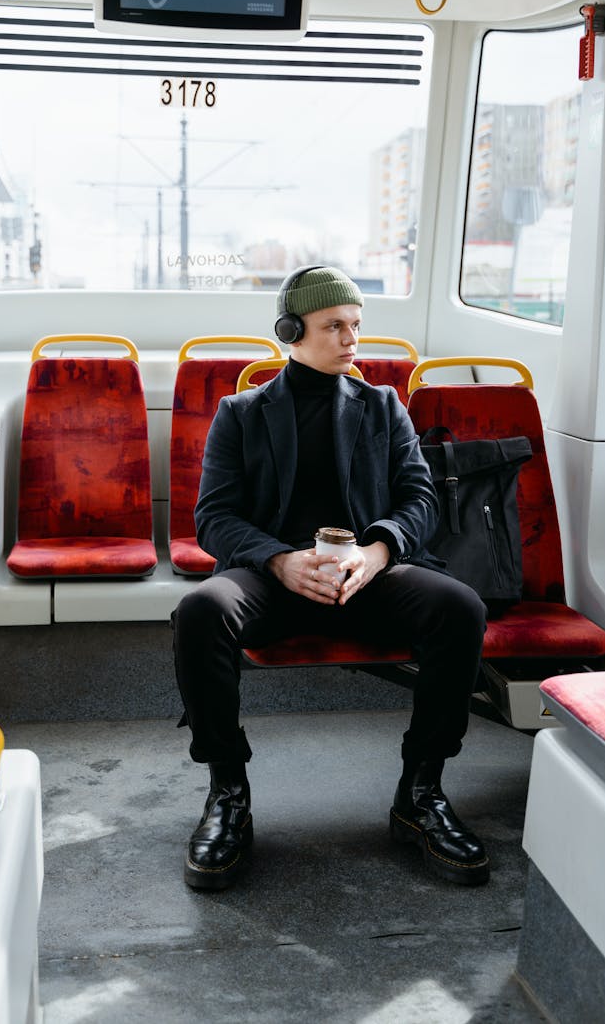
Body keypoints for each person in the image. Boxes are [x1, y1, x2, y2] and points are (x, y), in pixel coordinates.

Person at [171, 265, 489, 892]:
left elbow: (419, 499)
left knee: (461, 607)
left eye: (356, 326)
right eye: (334, 326)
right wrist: (281, 561)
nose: (351, 340)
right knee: (202, 610)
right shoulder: (240, 413)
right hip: (273, 578)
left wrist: (375, 553)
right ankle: (227, 792)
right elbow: (214, 517)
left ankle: (420, 792)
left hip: (365, 575)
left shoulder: (383, 405)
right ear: (292, 331)